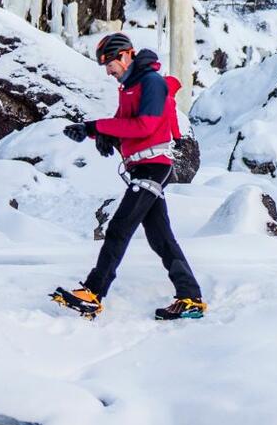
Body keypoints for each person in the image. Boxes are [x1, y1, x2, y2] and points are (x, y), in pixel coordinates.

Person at [52, 33, 206, 322]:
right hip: (142, 166)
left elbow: (145, 125)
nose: (108, 71)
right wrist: (103, 135)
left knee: (119, 227)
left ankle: (93, 293)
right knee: (161, 238)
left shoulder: (150, 83)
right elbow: (125, 123)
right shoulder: (129, 87)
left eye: (110, 64)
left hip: (153, 166)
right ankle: (191, 297)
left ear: (125, 56)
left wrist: (94, 126)